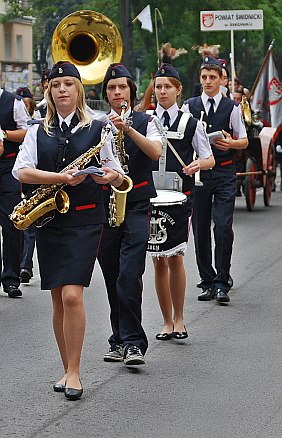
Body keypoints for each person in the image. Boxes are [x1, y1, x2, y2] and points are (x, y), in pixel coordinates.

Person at [12, 60, 124, 399]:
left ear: (80, 91)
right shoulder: (36, 131)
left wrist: (110, 175)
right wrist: (60, 178)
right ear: (49, 90)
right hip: (49, 220)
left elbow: (117, 172)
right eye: (57, 84)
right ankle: (66, 367)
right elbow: (22, 171)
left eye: (69, 84)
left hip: (85, 220)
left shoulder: (99, 128)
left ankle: (74, 371)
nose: (62, 89)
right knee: (59, 299)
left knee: (73, 294)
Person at [97, 62, 163, 366]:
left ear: (131, 90)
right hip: (106, 207)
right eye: (111, 88)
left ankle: (135, 342)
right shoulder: (96, 124)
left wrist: (128, 129)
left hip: (136, 205)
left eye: (122, 87)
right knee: (112, 276)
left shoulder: (145, 120)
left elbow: (155, 152)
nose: (117, 92)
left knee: (129, 274)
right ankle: (119, 338)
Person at [150, 47, 214, 340]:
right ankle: (165, 320)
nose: (161, 91)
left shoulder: (191, 123)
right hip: (151, 195)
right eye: (158, 87)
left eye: (167, 87)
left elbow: (209, 157)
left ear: (178, 90)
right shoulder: (147, 121)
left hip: (180, 196)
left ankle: (179, 318)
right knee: (157, 258)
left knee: (175, 256)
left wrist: (198, 164)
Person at [182, 55, 248, 303]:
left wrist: (231, 142)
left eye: (212, 77)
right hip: (199, 173)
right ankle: (207, 280)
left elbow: (243, 139)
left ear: (222, 79)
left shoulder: (231, 107)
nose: (208, 82)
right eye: (204, 77)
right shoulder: (190, 105)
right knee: (200, 228)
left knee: (222, 226)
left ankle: (222, 280)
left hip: (224, 173)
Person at [0, 78, 29, 298]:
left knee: (11, 221)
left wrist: (4, 134)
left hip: (7, 166)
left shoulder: (13, 102)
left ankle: (11, 278)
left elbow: (27, 132)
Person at [15, 87, 37, 284]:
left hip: (40, 177)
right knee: (25, 225)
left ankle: (25, 265)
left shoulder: (38, 118)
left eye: (26, 101)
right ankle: (24, 265)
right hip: (22, 176)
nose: (23, 103)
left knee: (30, 228)